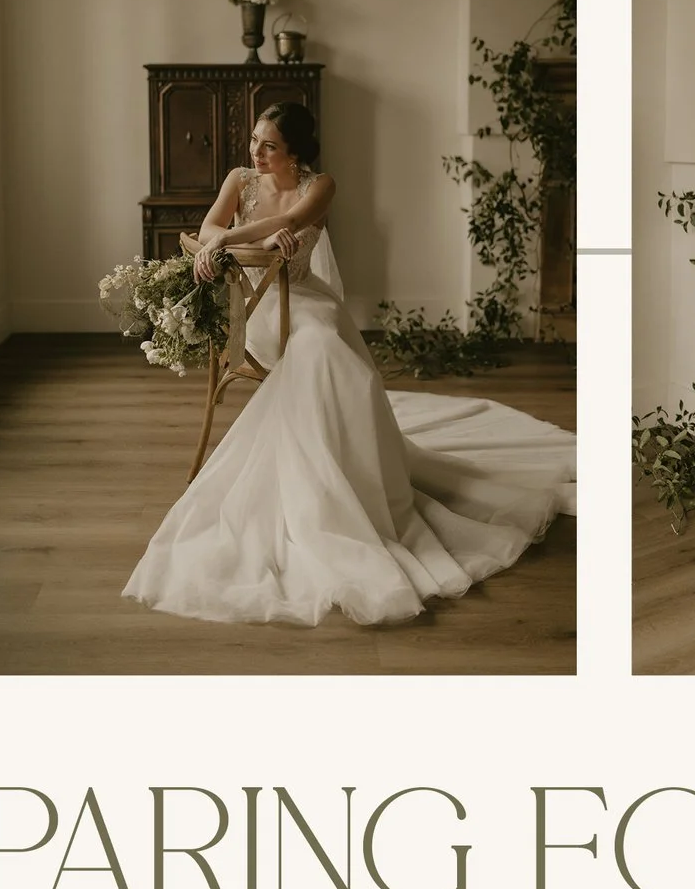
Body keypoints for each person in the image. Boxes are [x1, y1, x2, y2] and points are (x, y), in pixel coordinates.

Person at [123, 103, 575, 626]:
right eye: (254, 141)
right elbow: (209, 226)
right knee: (322, 354)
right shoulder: (239, 179)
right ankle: (321, 494)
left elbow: (291, 222)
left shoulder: (322, 186)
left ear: (296, 151)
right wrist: (216, 242)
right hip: (253, 309)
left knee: (334, 355)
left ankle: (354, 486)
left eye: (269, 145)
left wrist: (252, 238)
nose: (256, 152)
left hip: (304, 298)